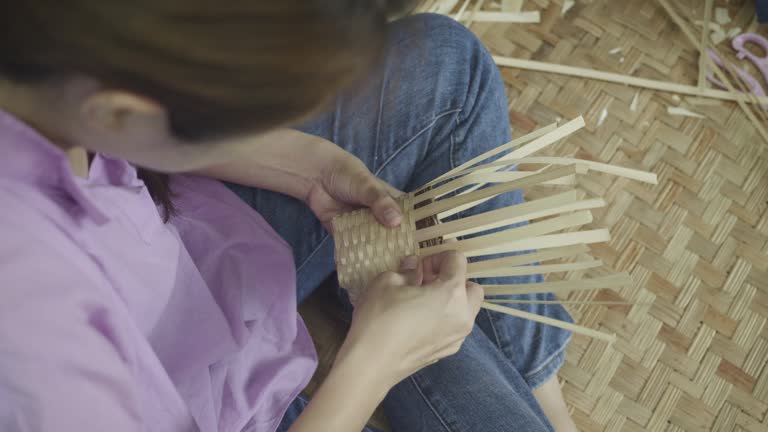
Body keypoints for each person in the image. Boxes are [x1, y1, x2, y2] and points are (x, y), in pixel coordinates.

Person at [0, 1, 577, 431]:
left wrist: (306, 165)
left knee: (448, 65)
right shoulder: (32, 337)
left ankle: (543, 395)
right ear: (121, 112)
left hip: (190, 249)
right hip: (194, 398)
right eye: (254, 119)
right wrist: (373, 362)